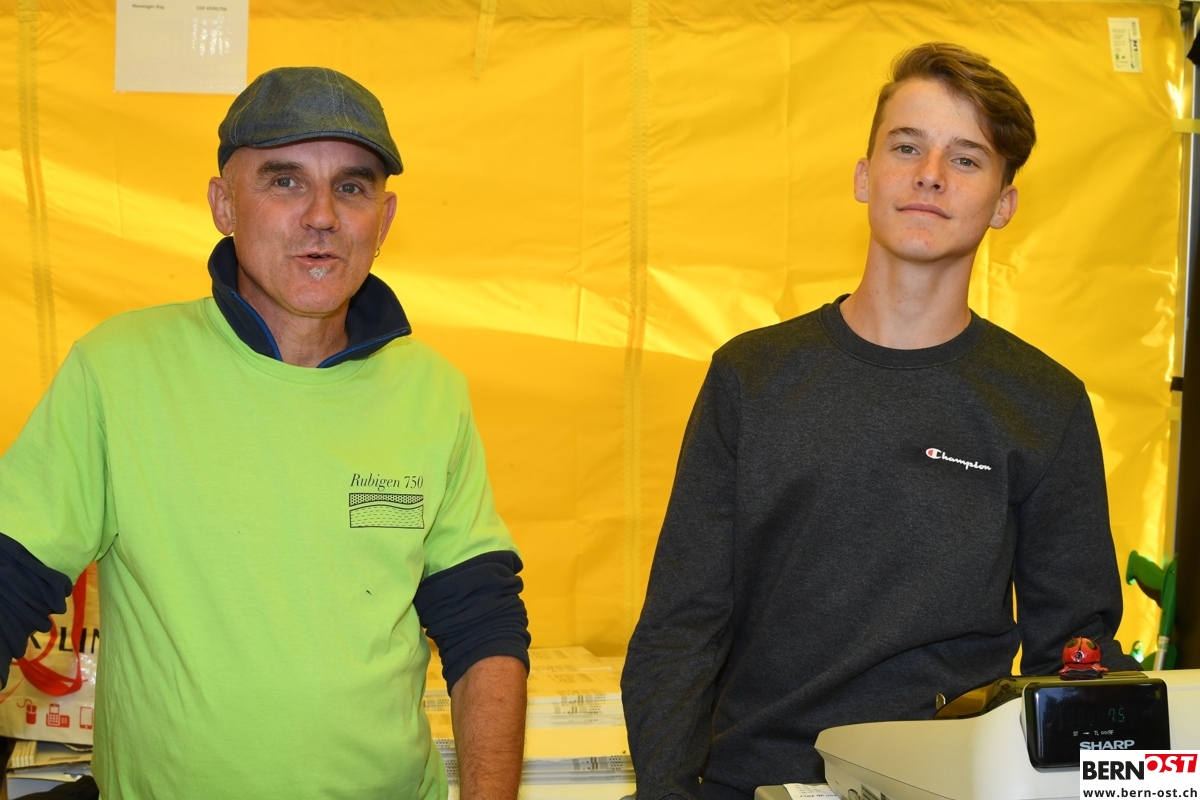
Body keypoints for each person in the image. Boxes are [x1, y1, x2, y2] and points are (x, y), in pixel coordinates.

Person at [621, 42, 1141, 800]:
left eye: (966, 159)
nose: (930, 173)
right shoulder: (752, 377)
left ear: (1003, 205)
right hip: (759, 784)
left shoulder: (1044, 402)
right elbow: (681, 625)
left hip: (948, 784)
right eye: (907, 146)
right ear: (865, 176)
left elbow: (1074, 655)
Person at [0, 67, 530, 800]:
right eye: (284, 181)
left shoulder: (431, 392)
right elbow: (9, 579)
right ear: (223, 204)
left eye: (352, 187)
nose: (322, 215)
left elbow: (482, 622)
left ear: (384, 218)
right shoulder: (118, 370)